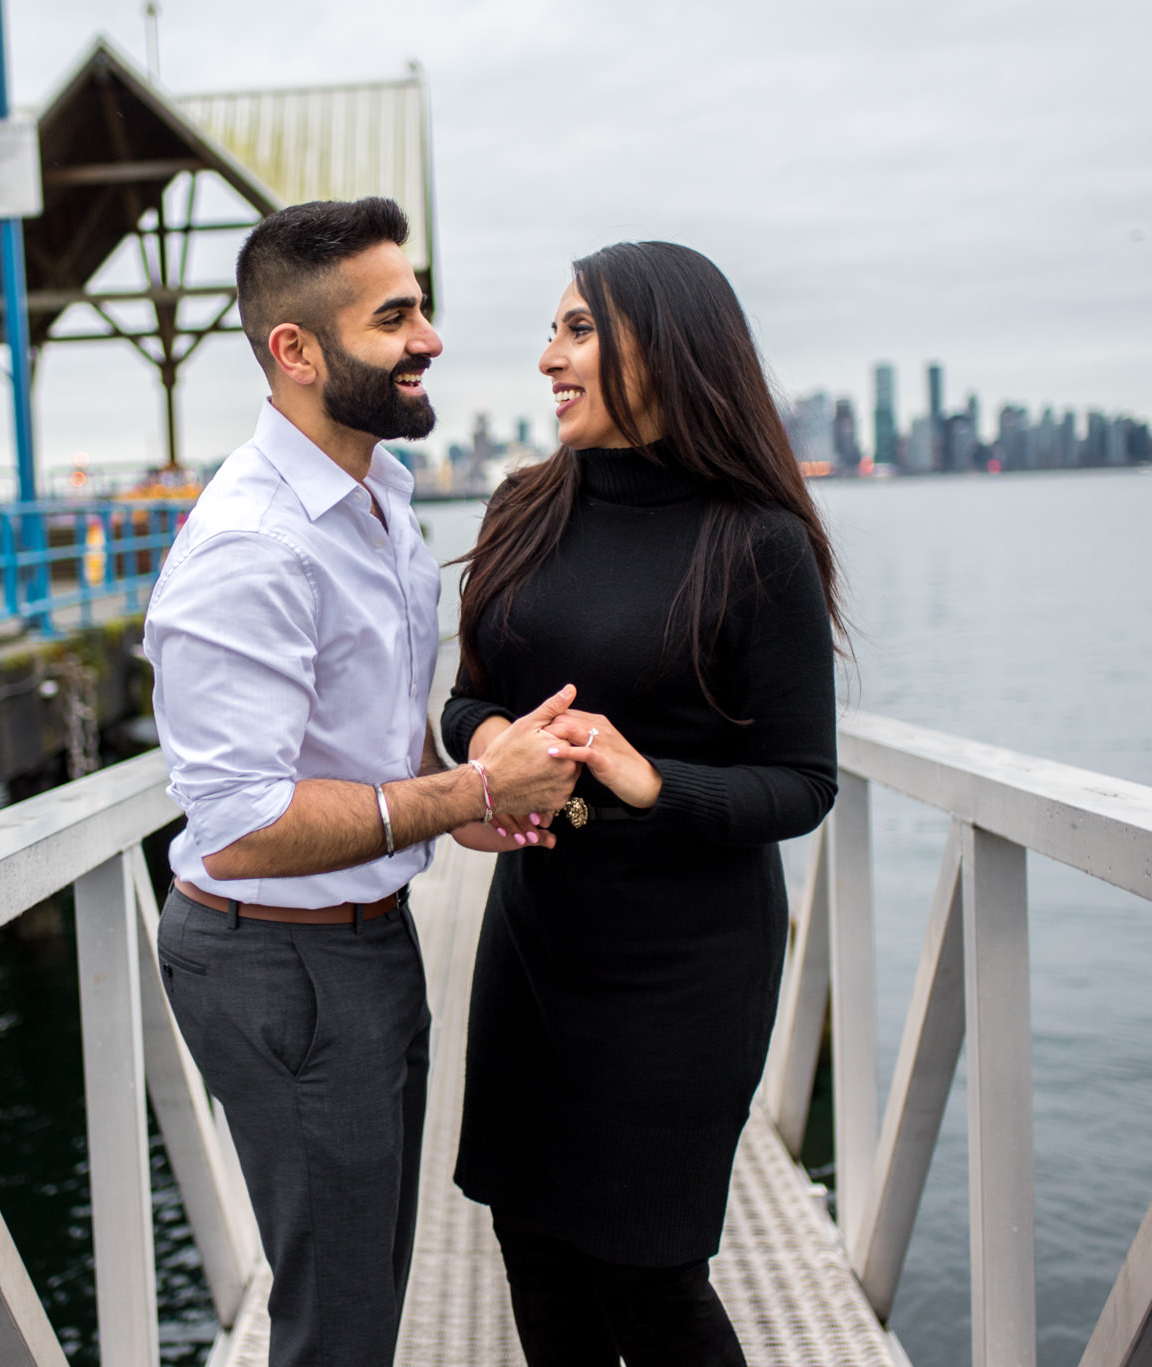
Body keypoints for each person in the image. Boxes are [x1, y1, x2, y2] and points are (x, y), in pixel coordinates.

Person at [143, 197, 581, 1367]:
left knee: (361, 1302)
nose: (429, 337)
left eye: (421, 305)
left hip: (359, 934)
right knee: (335, 1328)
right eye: (394, 316)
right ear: (294, 351)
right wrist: (470, 793)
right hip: (275, 956)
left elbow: (344, 745)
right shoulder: (255, 544)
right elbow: (237, 825)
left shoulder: (376, 500)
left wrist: (451, 783)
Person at [440, 241, 847, 1367]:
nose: (545, 358)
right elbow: (466, 696)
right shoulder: (523, 506)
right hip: (534, 938)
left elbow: (800, 782)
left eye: (576, 330)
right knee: (531, 1238)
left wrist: (651, 777)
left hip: (681, 967)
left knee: (648, 1270)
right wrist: (487, 742)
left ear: (661, 351)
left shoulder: (754, 541)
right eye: (553, 330)